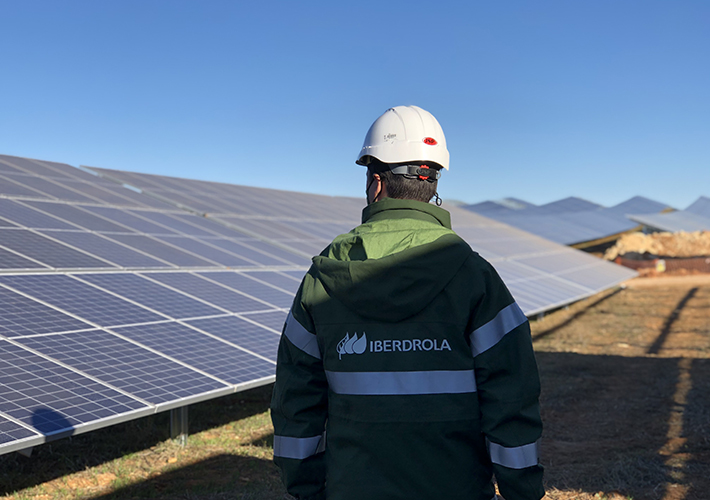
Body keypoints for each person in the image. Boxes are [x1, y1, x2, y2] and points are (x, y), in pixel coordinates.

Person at [271, 105, 544, 500]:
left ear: (376, 183)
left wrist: (307, 489)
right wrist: (523, 492)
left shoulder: (322, 278)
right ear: (433, 184)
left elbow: (296, 403)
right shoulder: (474, 276)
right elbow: (512, 396)